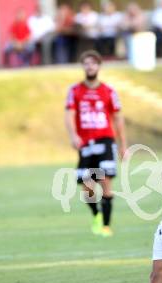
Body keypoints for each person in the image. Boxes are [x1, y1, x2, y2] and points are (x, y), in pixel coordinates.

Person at [64, 50, 128, 237]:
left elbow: (118, 119)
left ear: (99, 66)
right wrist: (73, 135)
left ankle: (106, 226)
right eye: (86, 63)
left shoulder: (109, 91)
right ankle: (96, 215)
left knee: (105, 181)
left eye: (93, 63)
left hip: (105, 141)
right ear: (83, 66)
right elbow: (69, 115)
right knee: (87, 187)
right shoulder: (75, 91)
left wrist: (123, 145)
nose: (90, 66)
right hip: (85, 143)